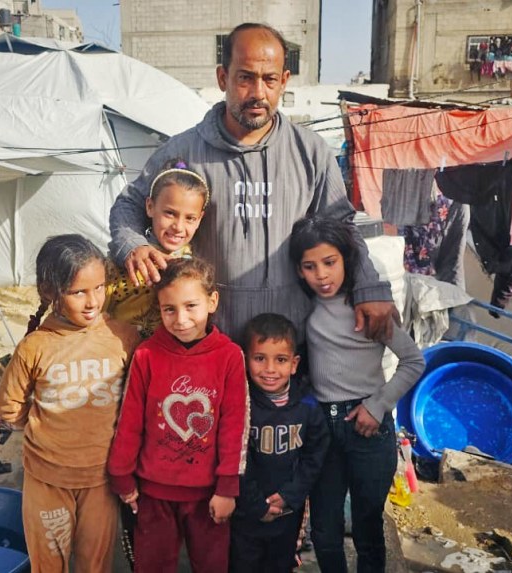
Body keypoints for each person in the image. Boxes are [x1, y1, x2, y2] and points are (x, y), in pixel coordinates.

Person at [109, 22, 396, 344]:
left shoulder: (311, 152)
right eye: (245, 78)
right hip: (208, 338)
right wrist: (133, 245)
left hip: (289, 343)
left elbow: (341, 227)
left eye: (269, 79)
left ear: (284, 81)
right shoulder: (184, 151)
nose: (258, 93)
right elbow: (131, 203)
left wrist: (369, 286)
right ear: (223, 78)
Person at [0, 234, 141, 573]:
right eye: (78, 292)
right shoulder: (35, 346)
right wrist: (46, 427)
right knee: (49, 564)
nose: (93, 302)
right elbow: (8, 407)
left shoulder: (123, 337)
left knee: (96, 564)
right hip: (48, 480)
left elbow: (137, 401)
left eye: (100, 288)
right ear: (50, 292)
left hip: (101, 480)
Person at [289, 216, 425, 573]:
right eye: (309, 266)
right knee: (324, 528)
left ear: (346, 260)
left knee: (367, 526)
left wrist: (377, 405)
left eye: (329, 262)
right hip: (321, 427)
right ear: (299, 270)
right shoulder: (305, 307)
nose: (321, 274)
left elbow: (413, 361)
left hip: (367, 426)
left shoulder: (368, 309)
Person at [107, 257, 249, 573]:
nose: (181, 319)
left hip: (208, 495)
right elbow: (129, 421)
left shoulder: (229, 357)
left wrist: (227, 488)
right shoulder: (146, 355)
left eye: (191, 306)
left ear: (212, 301)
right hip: (152, 494)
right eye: (169, 309)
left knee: (212, 566)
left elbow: (233, 426)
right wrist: (122, 476)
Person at [230, 312, 329, 573]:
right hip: (246, 513)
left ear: (294, 364)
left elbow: (314, 456)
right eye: (260, 358)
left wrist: (290, 495)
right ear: (246, 359)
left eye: (281, 360)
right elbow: (237, 458)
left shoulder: (308, 405)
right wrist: (256, 505)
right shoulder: (241, 404)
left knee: (280, 564)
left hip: (287, 512)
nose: (270, 369)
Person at [104, 158, 210, 337]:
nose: (178, 226)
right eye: (170, 213)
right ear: (150, 207)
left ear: (199, 218)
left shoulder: (196, 266)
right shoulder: (123, 262)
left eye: (189, 218)